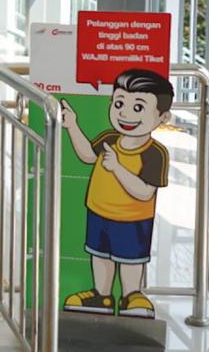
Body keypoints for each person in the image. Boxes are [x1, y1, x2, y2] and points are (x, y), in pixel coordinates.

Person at [60, 69, 173, 319]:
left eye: (138, 107)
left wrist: (117, 168)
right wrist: (72, 126)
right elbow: (87, 155)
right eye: (119, 103)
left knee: (131, 259)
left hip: (133, 219)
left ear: (163, 117)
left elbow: (144, 192)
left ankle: (131, 295)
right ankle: (102, 294)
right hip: (98, 211)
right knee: (100, 256)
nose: (125, 113)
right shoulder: (110, 138)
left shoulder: (154, 153)